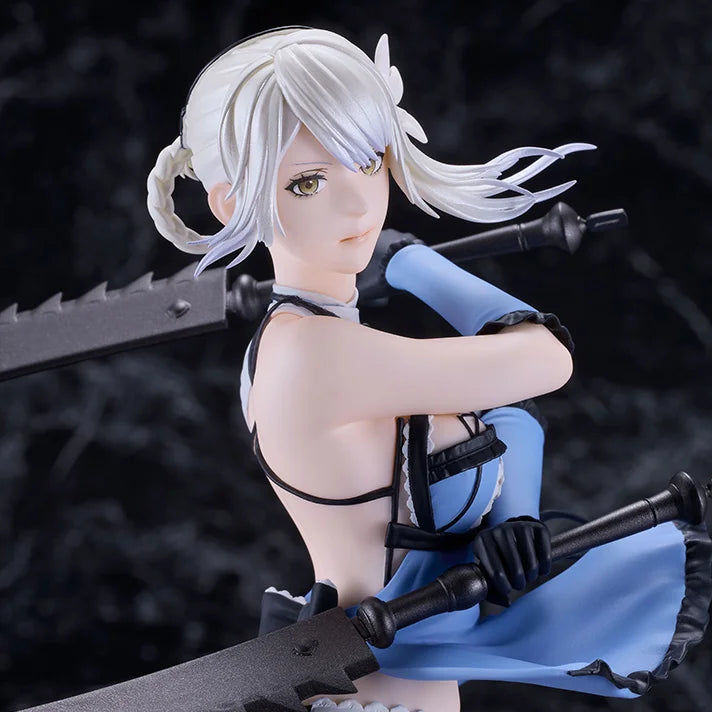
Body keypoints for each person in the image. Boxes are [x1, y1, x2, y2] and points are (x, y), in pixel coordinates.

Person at [146, 27, 711, 712]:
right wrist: (415, 265)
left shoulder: (305, 340)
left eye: (368, 162)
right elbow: (544, 358)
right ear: (234, 204)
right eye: (308, 182)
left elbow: (511, 416)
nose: (358, 204)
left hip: (394, 681)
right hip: (365, 689)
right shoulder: (313, 353)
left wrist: (515, 518)